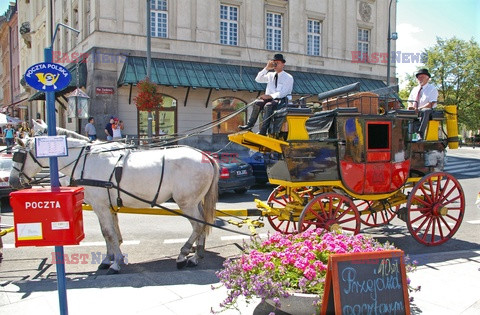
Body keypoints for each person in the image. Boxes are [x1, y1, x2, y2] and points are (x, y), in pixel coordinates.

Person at [239, 53, 294, 135]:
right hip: (270, 99)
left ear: (283, 64)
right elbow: (258, 79)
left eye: (278, 63)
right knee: (258, 103)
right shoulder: (270, 75)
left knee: (268, 105)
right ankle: (249, 125)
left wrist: (270, 96)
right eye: (274, 63)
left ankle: (263, 131)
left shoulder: (288, 77)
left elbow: (283, 93)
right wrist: (266, 68)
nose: (275, 65)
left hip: (282, 100)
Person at [407, 68, 438, 139]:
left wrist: (418, 109)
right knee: (401, 112)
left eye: (422, 77)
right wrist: (410, 107)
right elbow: (409, 101)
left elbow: (430, 104)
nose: (420, 79)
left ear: (427, 78)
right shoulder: (414, 89)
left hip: (427, 111)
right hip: (415, 111)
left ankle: (420, 133)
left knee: (425, 111)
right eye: (419, 77)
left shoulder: (432, 89)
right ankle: (405, 134)